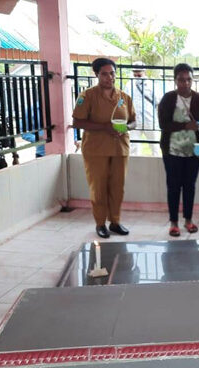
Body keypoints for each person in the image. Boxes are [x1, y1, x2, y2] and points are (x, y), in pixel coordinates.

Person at [72, 57, 136, 238]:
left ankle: (115, 221)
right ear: (97, 75)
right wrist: (105, 127)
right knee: (98, 187)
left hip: (119, 148)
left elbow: (133, 122)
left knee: (118, 186)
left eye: (112, 73)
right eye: (105, 74)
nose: (109, 78)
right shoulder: (87, 96)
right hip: (96, 149)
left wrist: (125, 128)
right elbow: (77, 121)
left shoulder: (124, 97)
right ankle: (100, 224)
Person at [158, 63, 199, 237]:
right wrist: (185, 125)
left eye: (189, 79)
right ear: (175, 81)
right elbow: (163, 124)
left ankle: (188, 220)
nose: (185, 83)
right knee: (173, 186)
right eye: (181, 80)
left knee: (190, 186)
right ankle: (173, 222)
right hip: (172, 151)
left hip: (193, 152)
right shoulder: (168, 99)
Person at [124, 61, 161, 156]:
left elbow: (158, 101)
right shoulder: (129, 84)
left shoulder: (151, 84)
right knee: (134, 147)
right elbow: (125, 101)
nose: (137, 74)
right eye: (135, 72)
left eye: (139, 71)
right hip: (134, 119)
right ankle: (135, 169)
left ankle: (156, 167)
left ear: (144, 71)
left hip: (149, 119)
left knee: (155, 146)